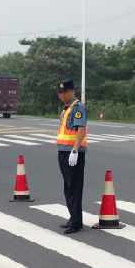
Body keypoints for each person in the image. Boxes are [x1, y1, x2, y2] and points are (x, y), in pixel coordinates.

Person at [55, 79, 88, 234]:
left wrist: (75, 151)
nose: (62, 95)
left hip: (73, 153)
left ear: (73, 91)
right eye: (60, 92)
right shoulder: (66, 109)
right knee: (68, 187)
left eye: (65, 92)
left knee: (74, 188)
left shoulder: (78, 107)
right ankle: (73, 218)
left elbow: (81, 129)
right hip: (63, 151)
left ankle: (75, 223)